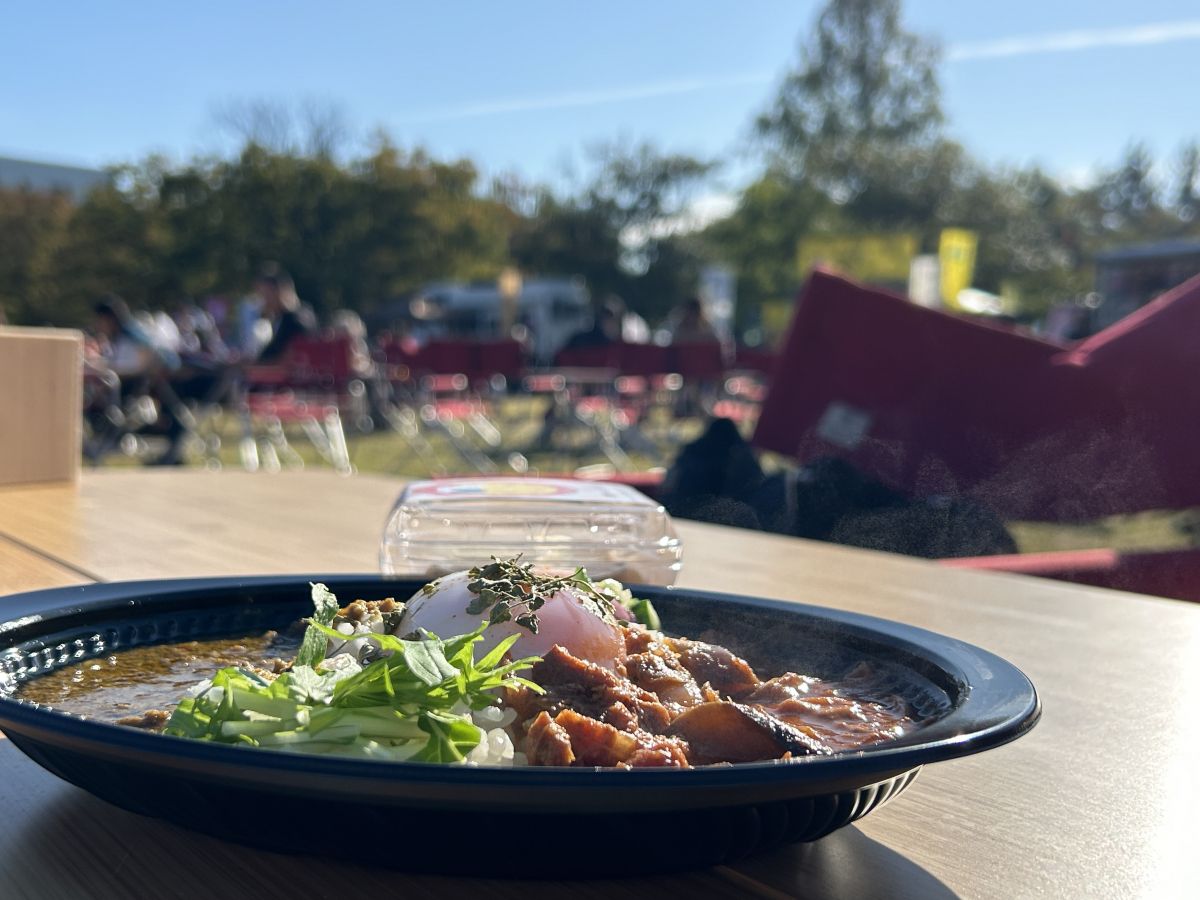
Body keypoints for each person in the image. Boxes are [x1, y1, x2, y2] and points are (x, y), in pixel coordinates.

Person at [254, 262, 316, 363]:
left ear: (279, 291)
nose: (263, 302)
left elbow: (275, 356)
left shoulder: (294, 320)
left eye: (265, 295)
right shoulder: (296, 315)